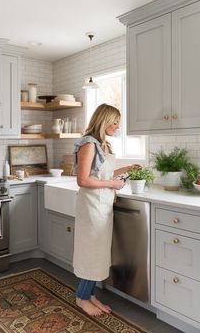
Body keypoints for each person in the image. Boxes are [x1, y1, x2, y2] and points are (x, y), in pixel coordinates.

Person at [73, 103, 140, 317]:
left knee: (99, 254)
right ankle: (81, 298)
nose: (118, 126)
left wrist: (127, 168)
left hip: (102, 206)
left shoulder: (104, 145)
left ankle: (91, 294)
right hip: (92, 207)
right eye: (116, 122)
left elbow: (104, 172)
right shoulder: (89, 144)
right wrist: (113, 184)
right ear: (105, 121)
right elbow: (83, 180)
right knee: (92, 254)